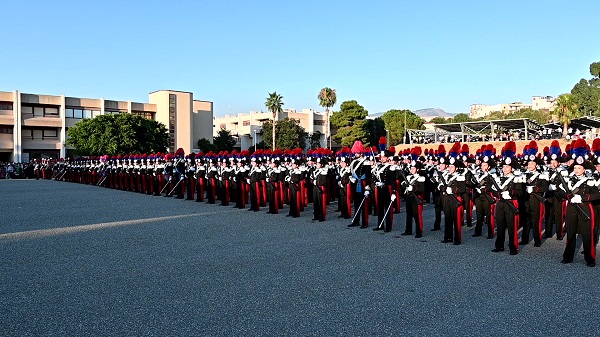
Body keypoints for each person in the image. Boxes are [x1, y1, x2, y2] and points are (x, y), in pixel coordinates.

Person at [556, 139, 598, 267]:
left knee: (587, 234)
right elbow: (559, 191)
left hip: (585, 207)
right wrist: (568, 196)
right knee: (571, 232)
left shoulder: (590, 180)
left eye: (579, 168)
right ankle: (568, 256)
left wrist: (583, 198)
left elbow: (597, 194)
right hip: (572, 208)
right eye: (575, 167)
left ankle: (590, 258)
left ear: (584, 169)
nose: (576, 170)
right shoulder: (569, 179)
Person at [492, 141, 523, 255]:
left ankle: (513, 247)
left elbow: (520, 192)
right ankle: (499, 246)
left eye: (507, 166)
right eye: (504, 166)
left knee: (512, 227)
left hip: (511, 203)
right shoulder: (499, 178)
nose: (505, 168)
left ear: (512, 167)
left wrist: (510, 193)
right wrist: (498, 194)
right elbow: (493, 190)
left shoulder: (517, 178)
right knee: (500, 226)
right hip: (500, 203)